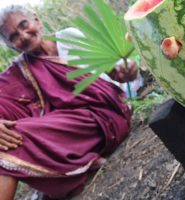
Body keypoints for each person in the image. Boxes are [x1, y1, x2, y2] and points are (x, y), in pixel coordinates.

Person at [0, 5, 137, 200]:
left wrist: (128, 71)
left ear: (36, 20)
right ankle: (83, 160)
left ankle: (80, 160)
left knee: (12, 138)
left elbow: (115, 72)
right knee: (5, 137)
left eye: (24, 25)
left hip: (103, 115)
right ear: (12, 46)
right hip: (65, 125)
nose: (23, 35)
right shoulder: (20, 71)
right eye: (13, 36)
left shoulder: (69, 38)